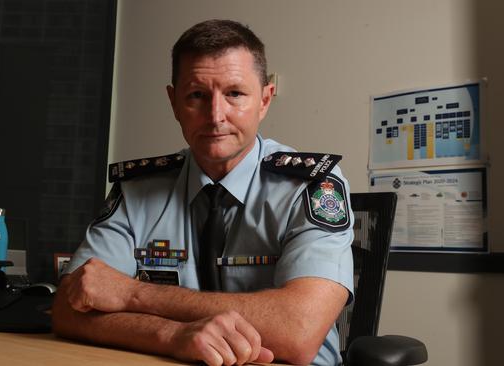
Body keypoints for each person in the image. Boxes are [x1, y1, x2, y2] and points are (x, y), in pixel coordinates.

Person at [52, 19, 354, 366]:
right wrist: (173, 335)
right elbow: (68, 307)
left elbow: (296, 331)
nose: (215, 116)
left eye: (235, 94)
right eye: (197, 95)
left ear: (265, 100)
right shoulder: (138, 189)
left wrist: (132, 293)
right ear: (174, 102)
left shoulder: (312, 185)